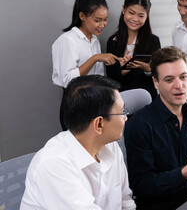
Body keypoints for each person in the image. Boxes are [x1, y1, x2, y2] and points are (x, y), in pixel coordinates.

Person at [125, 46, 187, 209]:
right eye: (169, 79)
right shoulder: (139, 125)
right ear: (156, 82)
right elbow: (142, 186)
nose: (179, 85)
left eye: (183, 77)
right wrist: (185, 173)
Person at [21, 75, 136, 209]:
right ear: (99, 124)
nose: (125, 118)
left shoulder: (111, 146)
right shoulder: (54, 164)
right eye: (122, 112)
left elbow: (125, 202)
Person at [52, 0, 123, 130]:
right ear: (82, 16)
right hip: (76, 103)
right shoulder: (68, 40)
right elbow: (67, 80)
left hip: (96, 102)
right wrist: (95, 58)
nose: (102, 25)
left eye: (105, 19)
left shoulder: (94, 40)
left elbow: (99, 76)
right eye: (97, 20)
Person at [107, 0, 161, 100]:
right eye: (131, 13)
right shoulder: (112, 41)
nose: (135, 19)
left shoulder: (153, 41)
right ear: (123, 10)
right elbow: (110, 78)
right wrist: (122, 71)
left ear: (146, 17)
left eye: (141, 15)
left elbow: (160, 75)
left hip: (146, 100)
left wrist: (148, 70)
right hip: (120, 102)